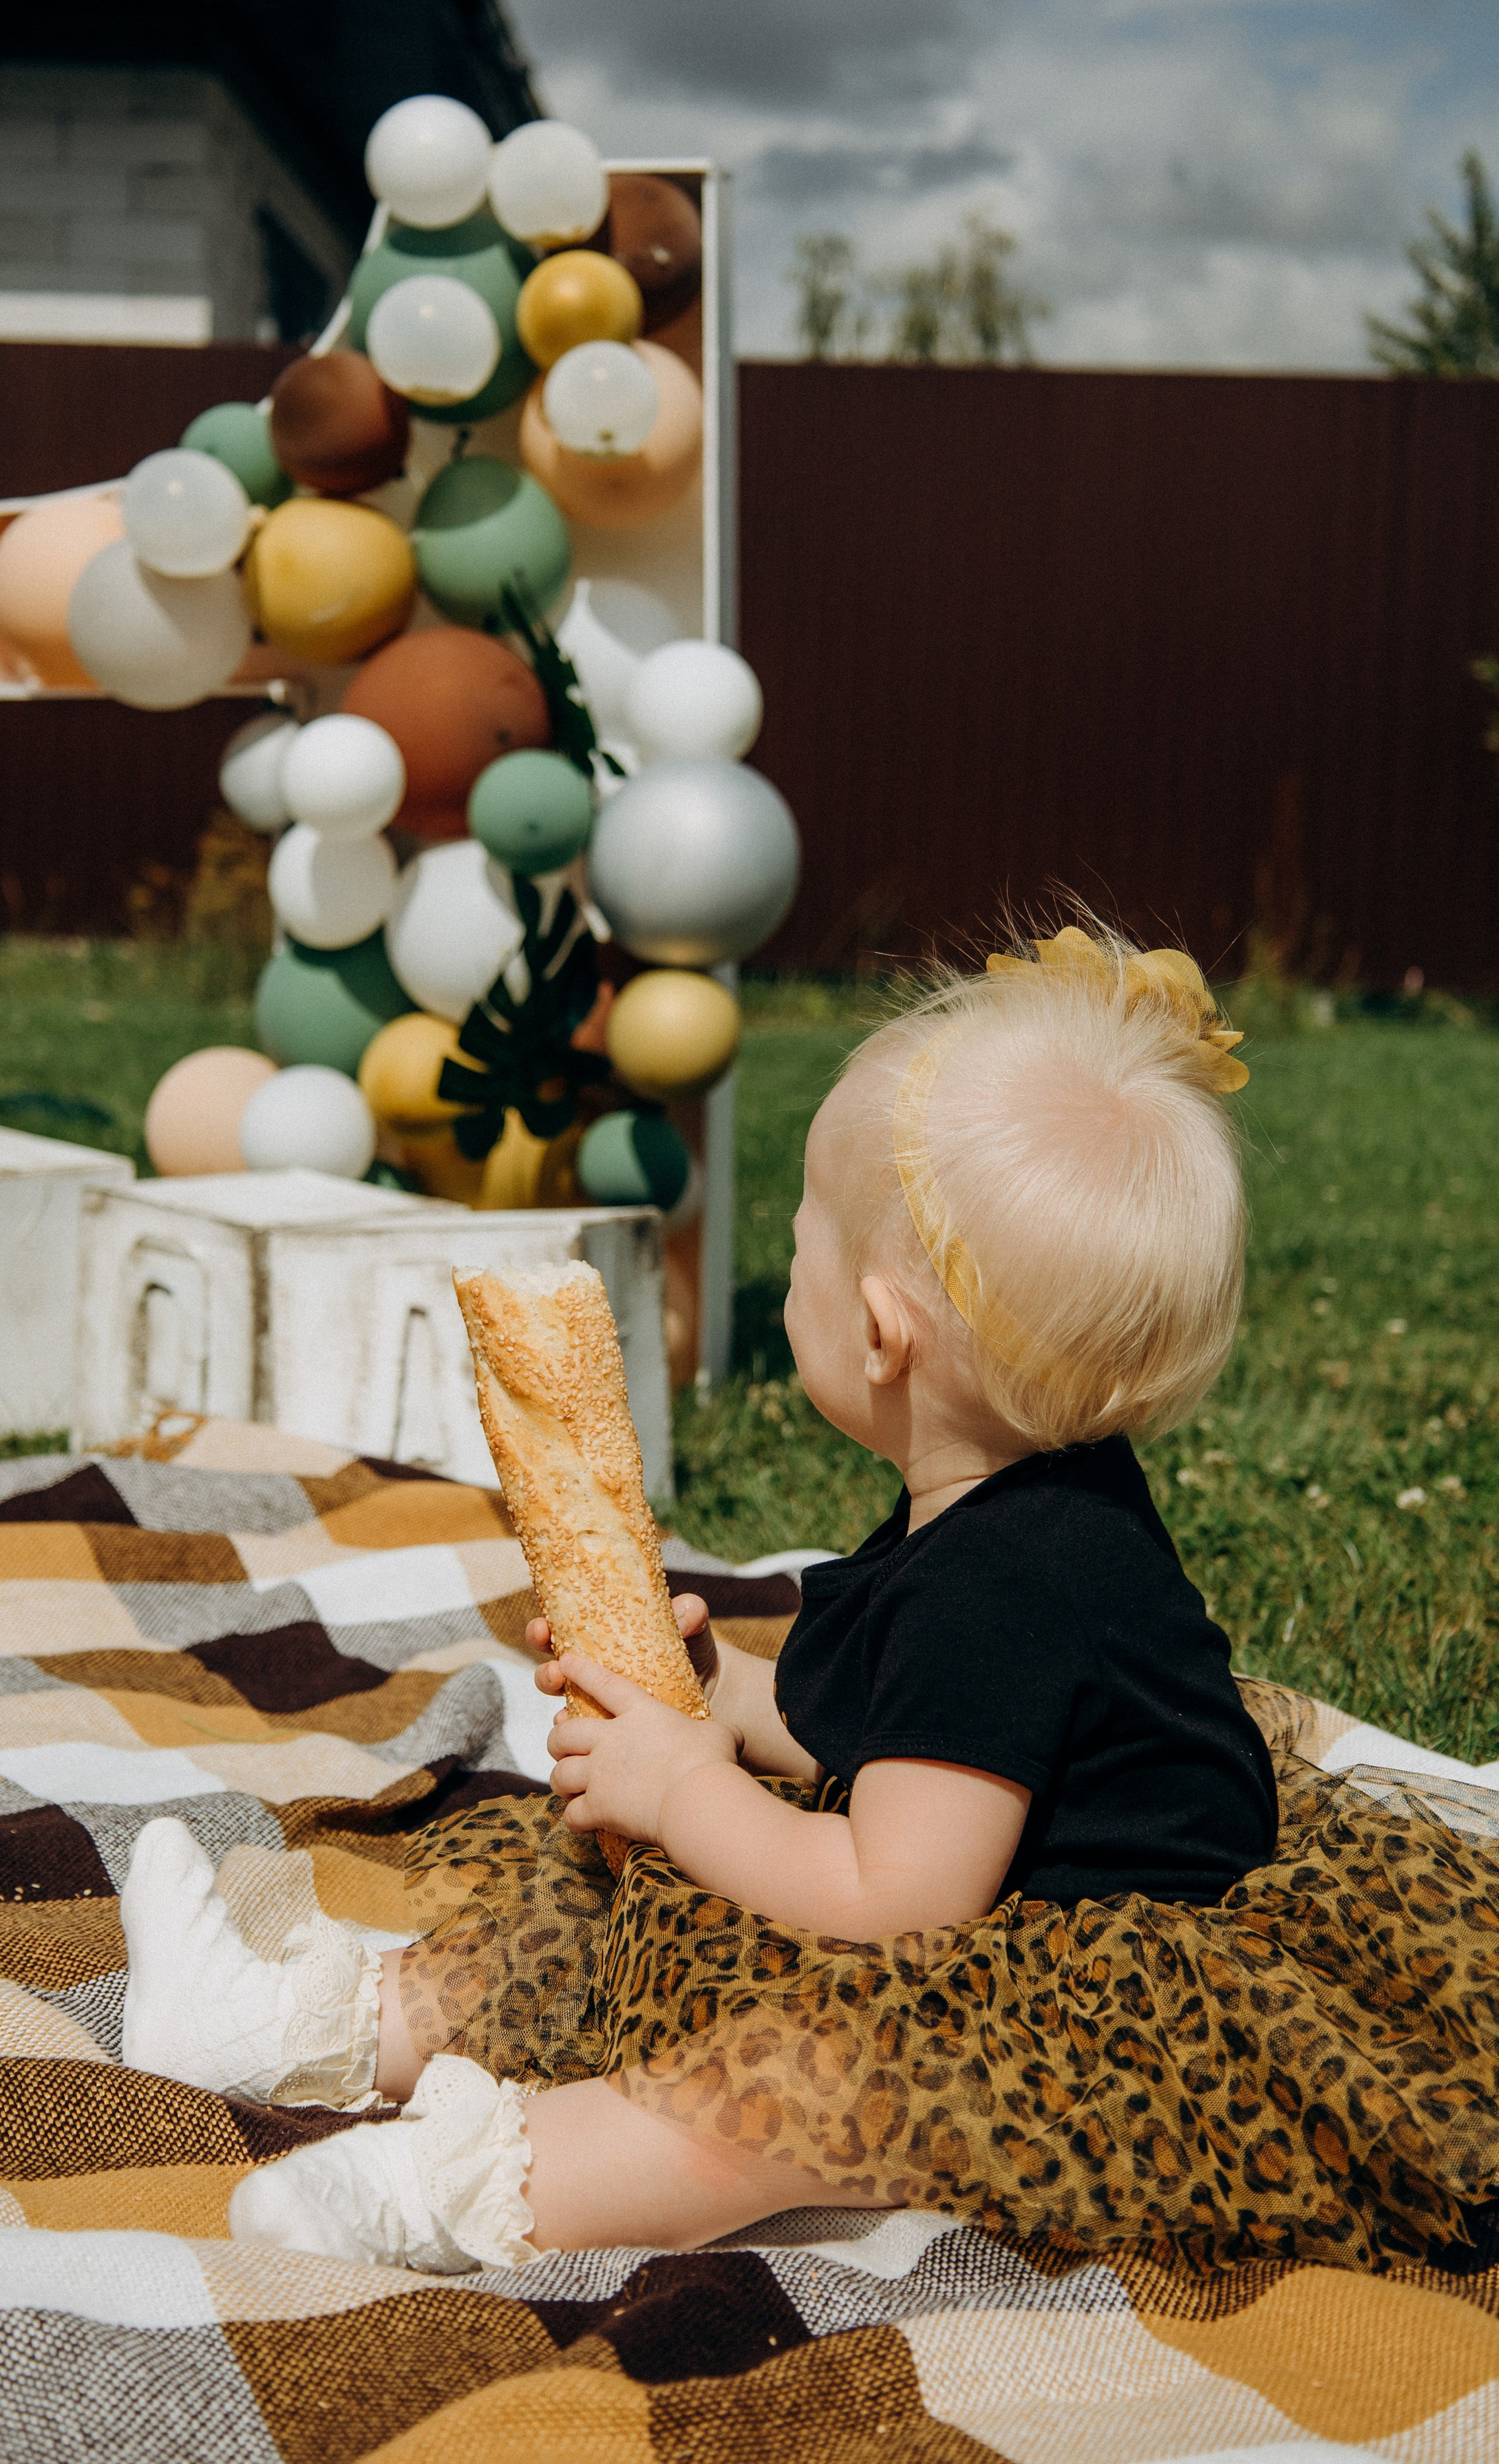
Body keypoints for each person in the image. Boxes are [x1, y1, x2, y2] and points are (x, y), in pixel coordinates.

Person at [120, 926, 1499, 2277]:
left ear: (882, 1334)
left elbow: (893, 1897)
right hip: (982, 1905)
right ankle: (312, 2026)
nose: (785, 1263)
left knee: (808, 2081)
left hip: (1111, 2012)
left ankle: (476, 2183)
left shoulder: (1005, 1587)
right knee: (608, 1884)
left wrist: (686, 1788)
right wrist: (722, 1699)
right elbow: (908, 1739)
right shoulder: (1002, 1496)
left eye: (800, 1242)